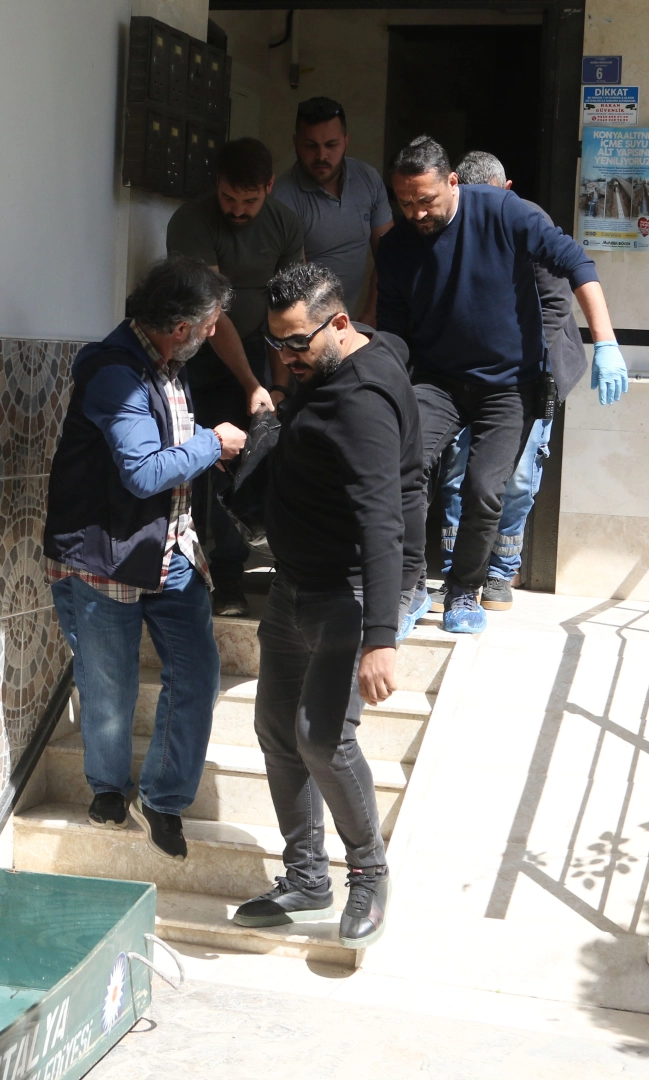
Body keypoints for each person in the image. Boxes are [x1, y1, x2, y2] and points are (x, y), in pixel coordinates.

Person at [232, 263, 423, 950]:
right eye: (274, 342)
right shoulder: (334, 363)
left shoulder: (362, 401)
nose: (285, 356)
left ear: (339, 324)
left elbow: (382, 520)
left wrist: (381, 637)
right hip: (293, 583)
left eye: (296, 343)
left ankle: (368, 873)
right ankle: (307, 878)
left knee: (321, 737)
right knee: (275, 730)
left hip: (346, 591)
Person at [377, 136, 628, 635]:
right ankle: (408, 586)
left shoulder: (503, 211)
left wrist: (606, 342)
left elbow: (577, 264)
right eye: (404, 203)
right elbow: (393, 329)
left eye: (425, 200)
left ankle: (463, 590)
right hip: (438, 380)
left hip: (509, 384)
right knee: (404, 468)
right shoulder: (397, 247)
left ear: (452, 182)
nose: (416, 213)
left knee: (485, 488)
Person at [43, 256, 247, 862]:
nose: (215, 332)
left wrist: (207, 455)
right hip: (106, 558)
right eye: (210, 324)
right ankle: (108, 790)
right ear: (181, 328)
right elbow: (142, 473)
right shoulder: (116, 375)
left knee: (199, 673)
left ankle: (162, 798)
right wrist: (213, 443)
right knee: (110, 685)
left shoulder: (167, 367)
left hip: (170, 550)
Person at [431, 150, 598, 611]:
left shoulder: (526, 220)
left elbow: (555, 303)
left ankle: (501, 570)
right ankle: (456, 570)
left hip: (528, 372)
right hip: (464, 374)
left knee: (518, 477)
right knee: (457, 474)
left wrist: (516, 366)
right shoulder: (449, 222)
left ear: (507, 192)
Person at [167, 137, 306, 617]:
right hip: (193, 352)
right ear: (217, 185)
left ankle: (235, 572)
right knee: (198, 459)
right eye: (229, 198)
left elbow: (290, 309)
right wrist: (252, 384)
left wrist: (278, 385)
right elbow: (213, 315)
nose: (239, 210)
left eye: (250, 200)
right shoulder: (191, 220)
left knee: (245, 460)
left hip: (257, 350)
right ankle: (197, 571)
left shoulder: (285, 223)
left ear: (270, 186)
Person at [271, 96, 393, 325]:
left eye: (331, 145)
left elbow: (389, 254)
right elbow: (297, 289)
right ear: (296, 142)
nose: (321, 156)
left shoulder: (368, 179)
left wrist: (372, 312)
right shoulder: (283, 198)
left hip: (351, 321)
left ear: (346, 141)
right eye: (311, 146)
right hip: (308, 323)